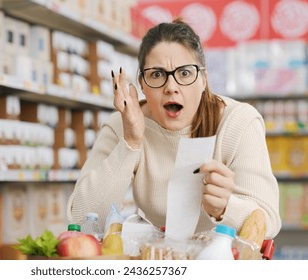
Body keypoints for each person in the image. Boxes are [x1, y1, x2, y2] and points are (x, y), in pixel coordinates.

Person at [66, 18, 281, 239]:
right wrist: (130, 143)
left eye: (185, 73)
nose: (171, 87)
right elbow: (81, 221)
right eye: (157, 74)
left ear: (204, 80)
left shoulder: (238, 122)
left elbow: (269, 221)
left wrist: (226, 207)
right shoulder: (123, 124)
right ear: (142, 84)